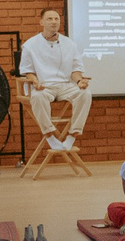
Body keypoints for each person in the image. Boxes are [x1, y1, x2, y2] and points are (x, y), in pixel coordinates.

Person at [19, 8, 92, 153]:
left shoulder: (70, 44)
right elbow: (28, 71)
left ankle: (72, 134)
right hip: (44, 86)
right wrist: (35, 82)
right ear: (41, 22)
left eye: (56, 19)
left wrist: (79, 82)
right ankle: (49, 135)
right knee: (37, 97)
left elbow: (75, 70)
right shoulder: (30, 45)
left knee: (85, 93)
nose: (54, 22)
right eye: (50, 19)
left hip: (65, 85)